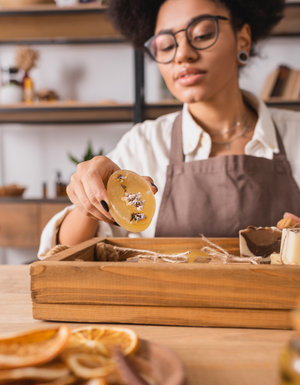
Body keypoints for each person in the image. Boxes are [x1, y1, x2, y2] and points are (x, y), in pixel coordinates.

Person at [38, 0, 300, 258]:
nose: (182, 54)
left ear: (243, 39)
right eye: (165, 45)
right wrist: (88, 204)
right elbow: (60, 254)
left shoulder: (295, 135)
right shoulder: (143, 144)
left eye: (203, 34)